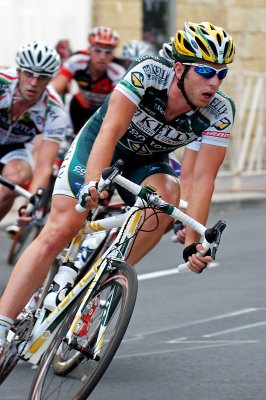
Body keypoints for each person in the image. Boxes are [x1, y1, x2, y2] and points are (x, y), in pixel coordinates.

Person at [0, 21, 235, 353]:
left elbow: (201, 179)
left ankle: (103, 281)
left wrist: (193, 243)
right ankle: (2, 325)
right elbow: (110, 130)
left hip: (148, 163)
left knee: (167, 198)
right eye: (205, 71)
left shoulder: (220, 111)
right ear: (180, 68)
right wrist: (94, 183)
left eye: (221, 74)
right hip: (100, 145)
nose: (214, 82)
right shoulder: (148, 74)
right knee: (60, 229)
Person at [0, 40, 69, 223]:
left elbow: (44, 166)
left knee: (13, 181)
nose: (33, 82)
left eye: (42, 77)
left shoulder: (55, 110)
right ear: (19, 71)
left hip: (16, 147)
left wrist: (30, 203)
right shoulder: (1, 83)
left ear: (50, 79)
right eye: (29, 73)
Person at [52, 26, 126, 135]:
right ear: (90, 50)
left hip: (103, 110)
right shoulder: (77, 61)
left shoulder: (117, 72)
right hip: (80, 107)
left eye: (108, 52)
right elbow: (55, 89)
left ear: (113, 55)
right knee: (74, 100)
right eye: (97, 50)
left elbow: (117, 106)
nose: (102, 57)